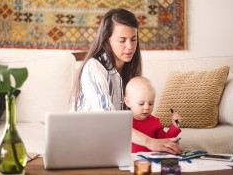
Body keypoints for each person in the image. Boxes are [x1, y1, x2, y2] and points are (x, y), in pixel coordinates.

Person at [71, 8, 182, 154]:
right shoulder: (94, 68)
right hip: (88, 141)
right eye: (122, 40)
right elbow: (109, 120)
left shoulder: (130, 69)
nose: (130, 46)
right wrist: (150, 142)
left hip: (116, 141)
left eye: (134, 39)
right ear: (107, 39)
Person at [124, 76, 181, 153]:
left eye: (151, 103)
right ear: (128, 102)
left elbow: (164, 142)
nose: (147, 107)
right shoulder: (124, 121)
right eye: (141, 104)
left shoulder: (155, 122)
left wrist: (175, 126)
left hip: (151, 160)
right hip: (131, 161)